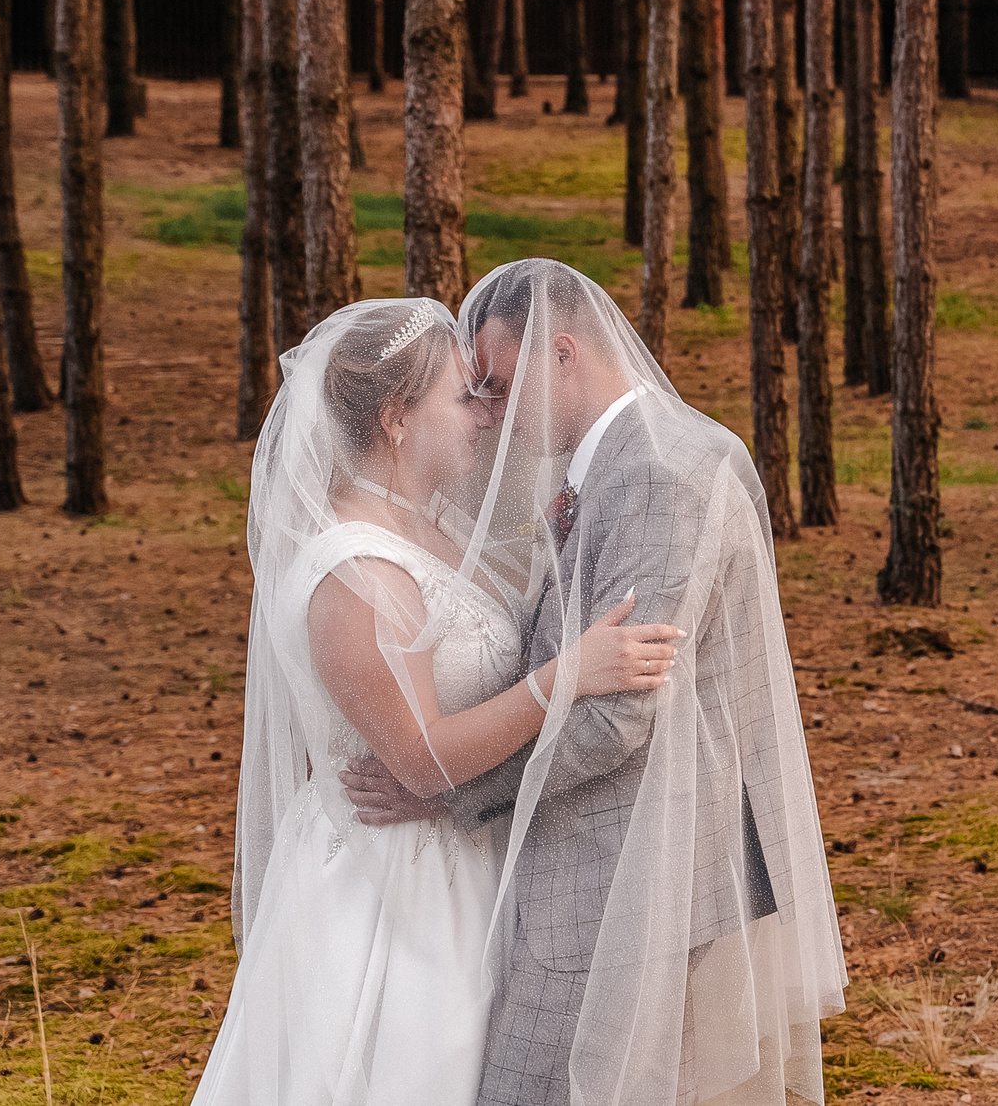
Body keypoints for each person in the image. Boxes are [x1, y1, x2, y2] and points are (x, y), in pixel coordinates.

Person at [342, 261, 845, 1106]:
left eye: (501, 384)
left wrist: (445, 788)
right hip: (611, 862)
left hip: (624, 872)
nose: (490, 411)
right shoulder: (619, 460)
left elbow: (616, 720)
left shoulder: (657, 473)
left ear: (563, 353)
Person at [196, 297, 683, 1106]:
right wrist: (565, 676)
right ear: (395, 418)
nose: (487, 415)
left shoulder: (432, 526)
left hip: (469, 858)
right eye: (464, 397)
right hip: (393, 889)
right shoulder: (354, 570)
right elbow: (420, 761)